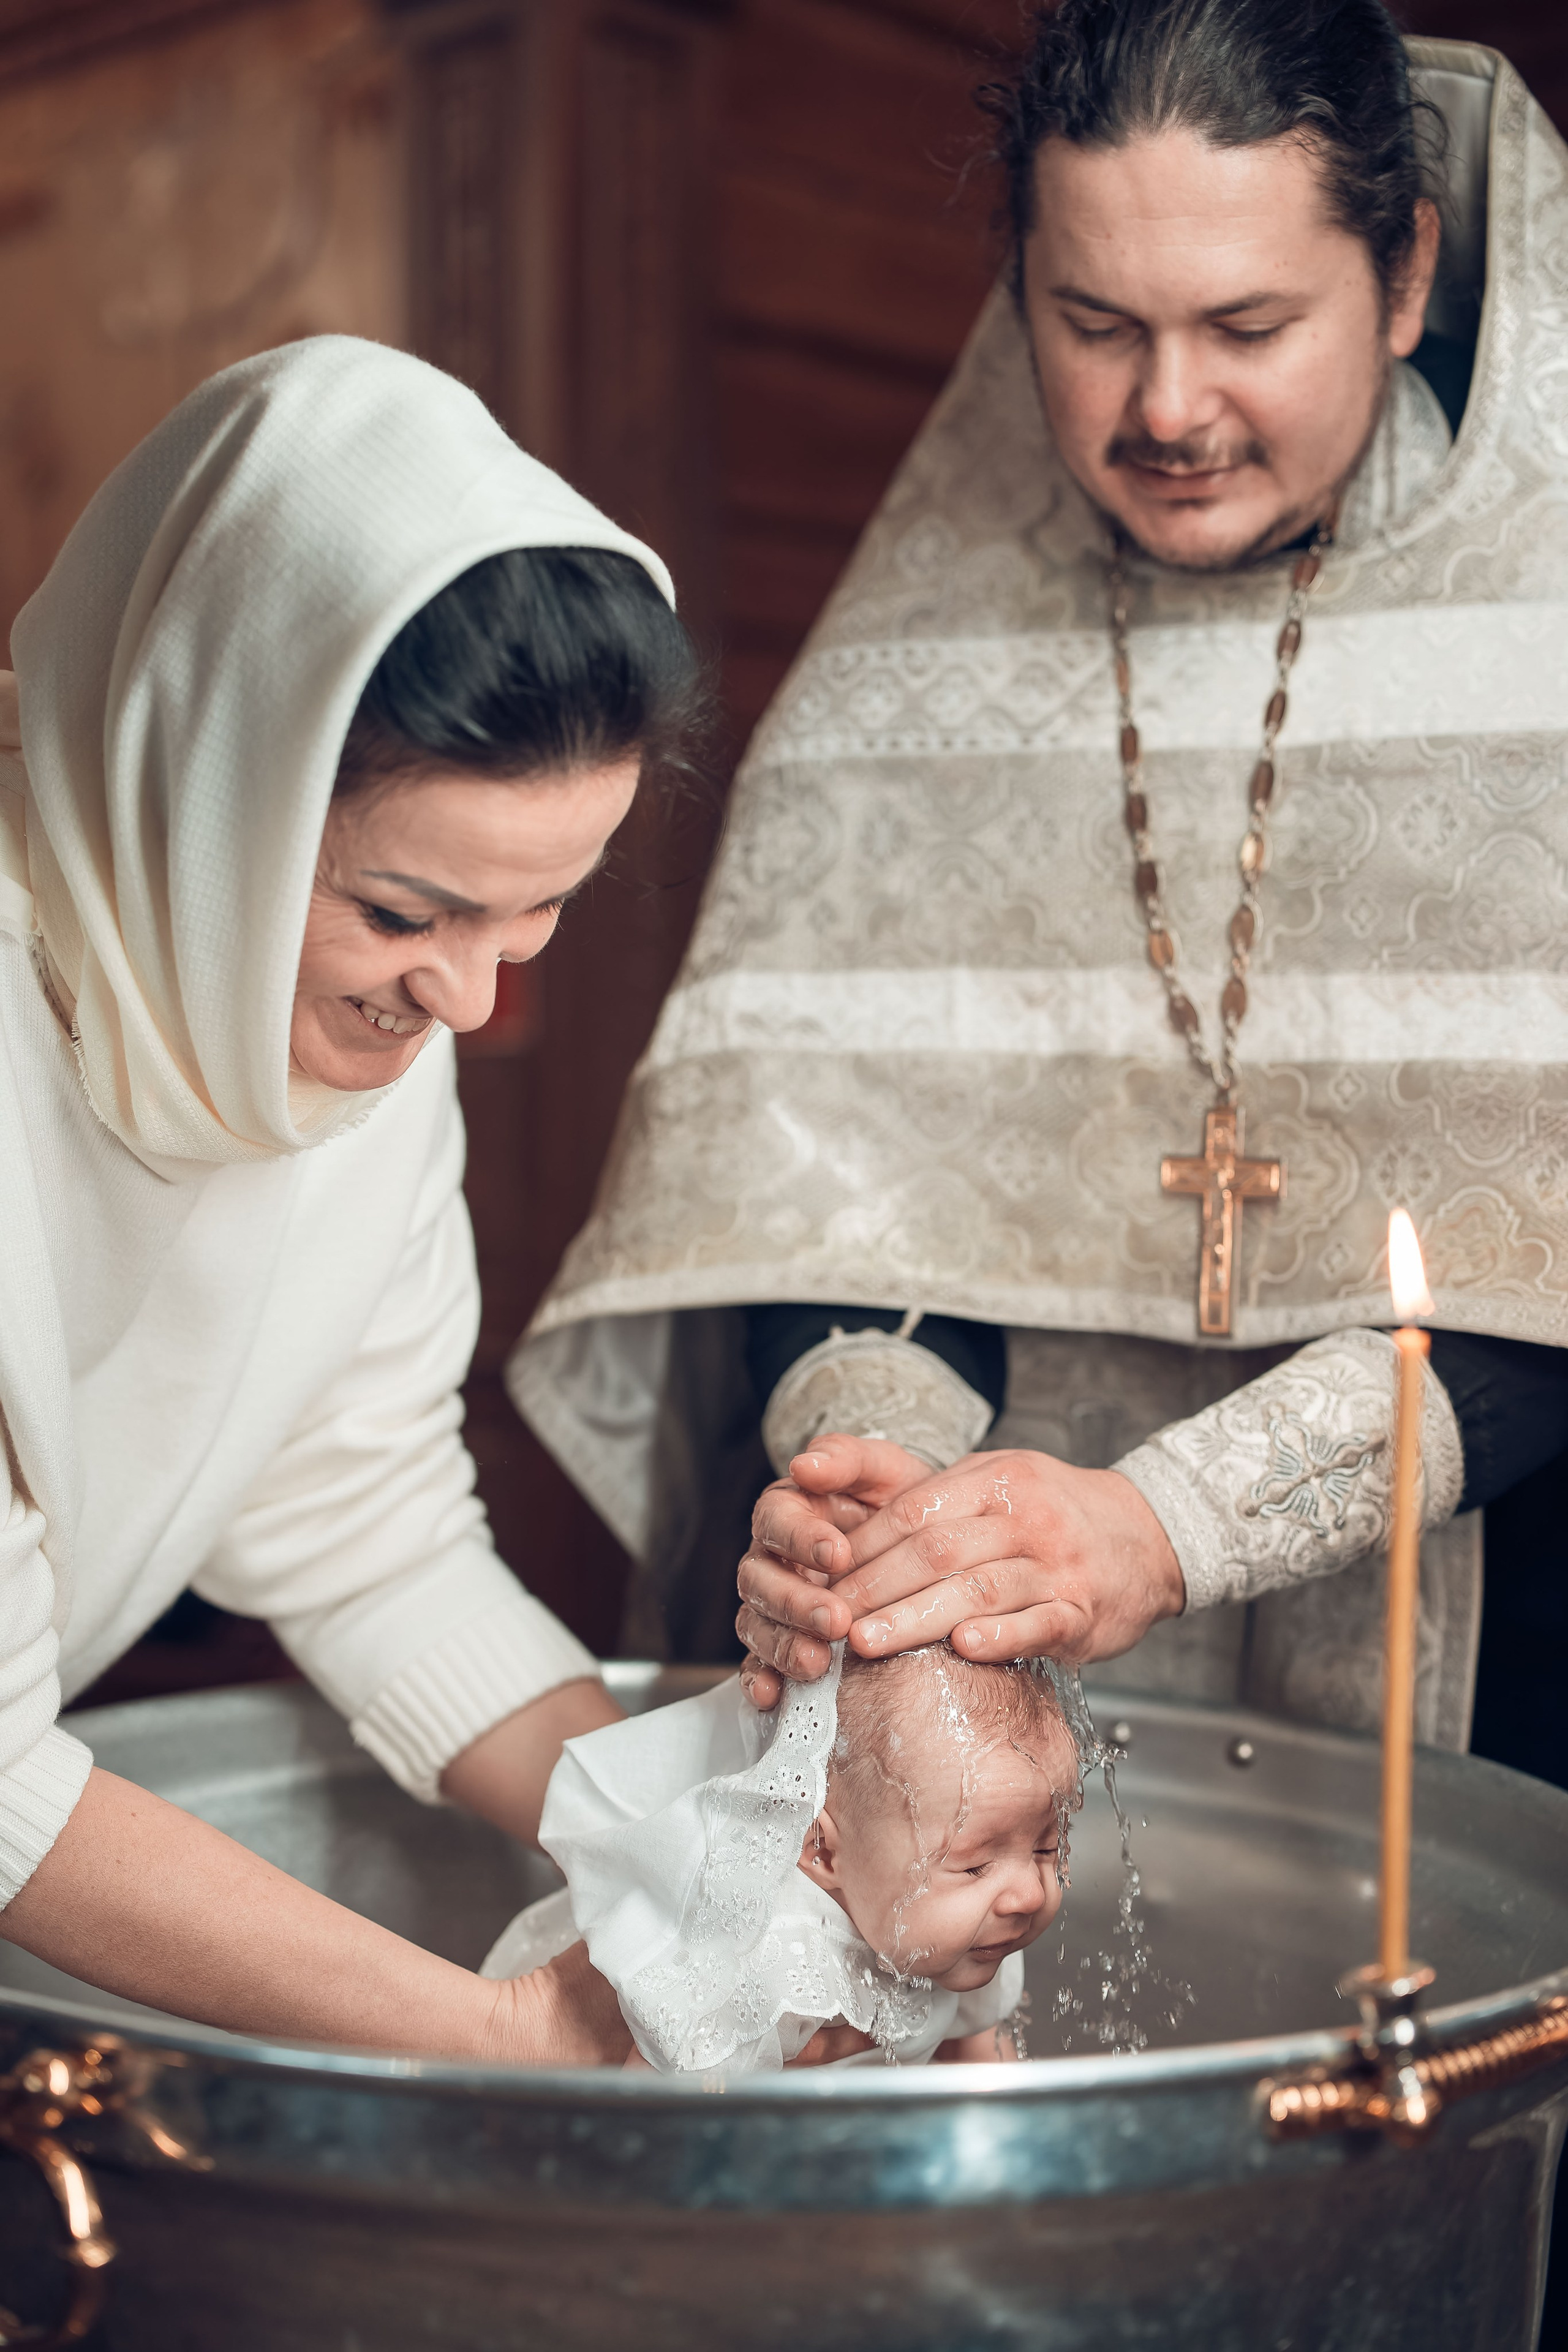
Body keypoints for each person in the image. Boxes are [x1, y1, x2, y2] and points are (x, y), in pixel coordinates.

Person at [507, 7, 1568, 1785]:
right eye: (1092, 325)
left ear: (1403, 275)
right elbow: (824, 1184)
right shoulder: (905, 664)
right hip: (993, 1668)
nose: (1167, 409)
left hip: (1509, 1647)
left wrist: (1167, 1523)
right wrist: (881, 1482)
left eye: (1247, 327)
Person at [0, 336, 706, 2064]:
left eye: (533, 915)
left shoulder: (330, 1025)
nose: (464, 997)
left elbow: (362, 1525)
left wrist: (707, 1868)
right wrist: (506, 2035)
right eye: (403, 913)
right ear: (201, 786)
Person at [481, 1644, 1075, 2070]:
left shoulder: (973, 1937)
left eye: (1046, 1847)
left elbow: (978, 2057)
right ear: (820, 1850)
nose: (1028, 1894)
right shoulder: (767, 1957)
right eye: (974, 1866)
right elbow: (658, 2100)